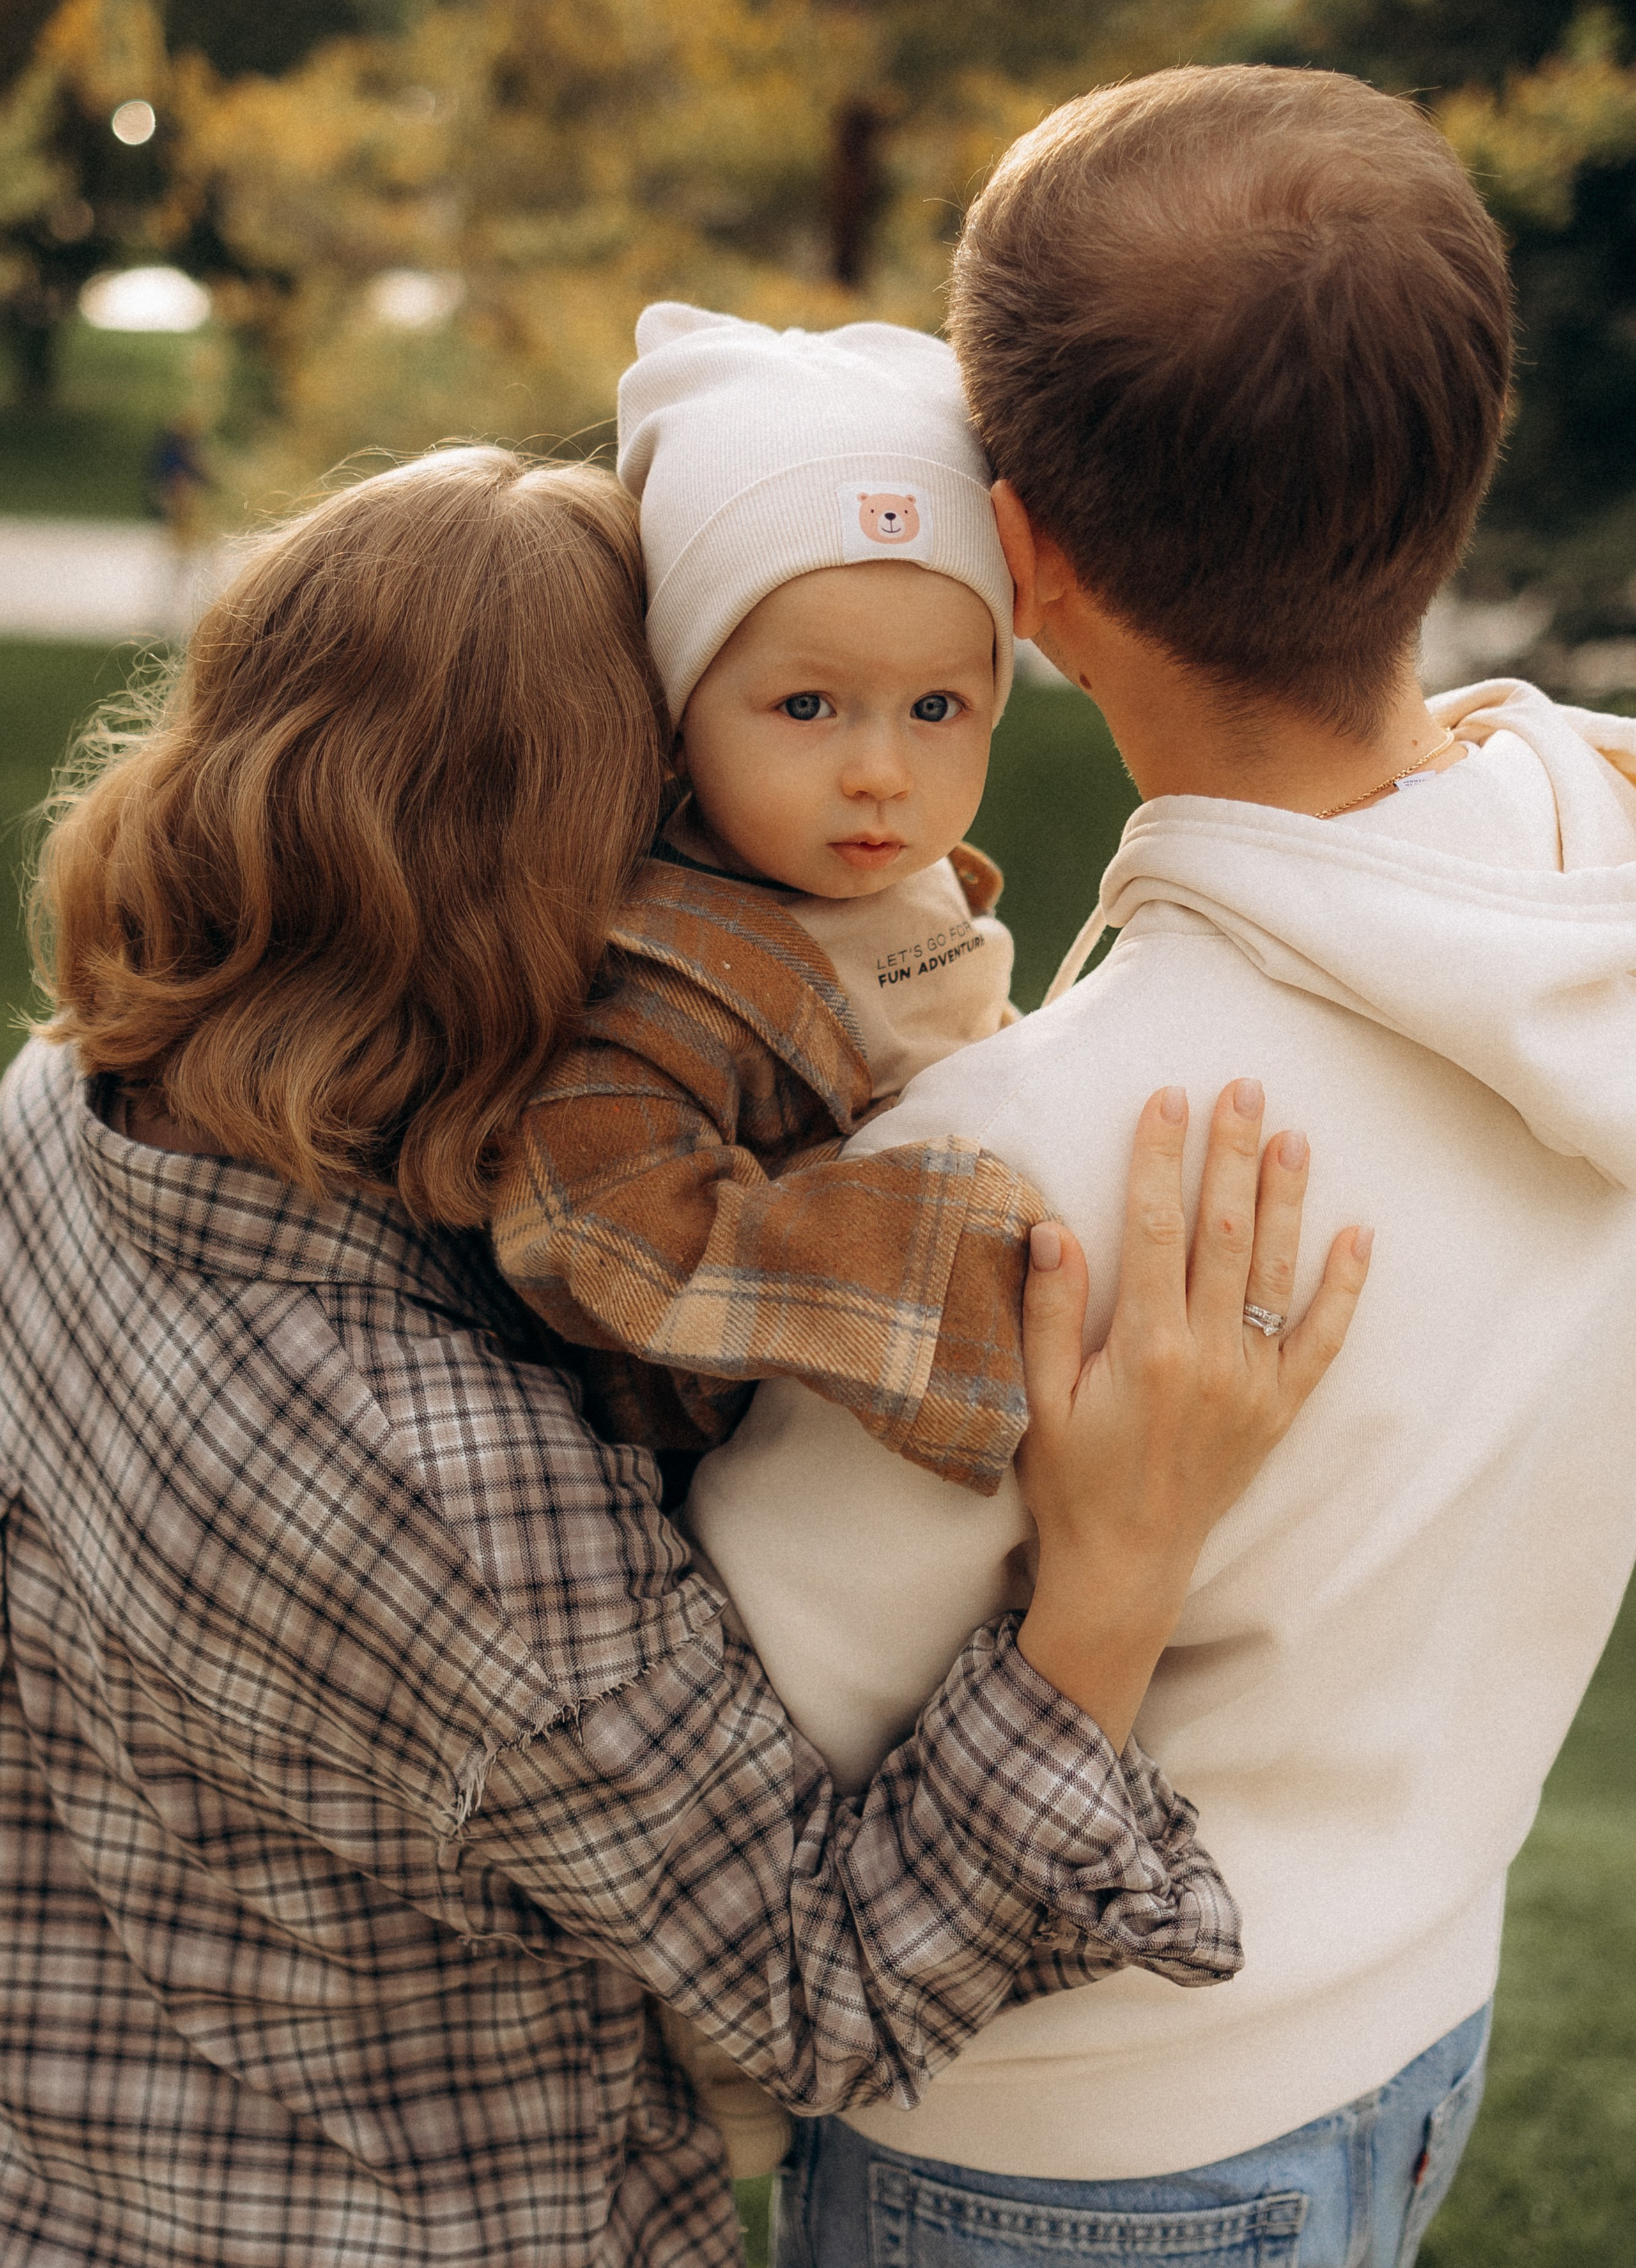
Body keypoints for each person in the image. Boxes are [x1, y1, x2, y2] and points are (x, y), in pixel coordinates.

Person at [0, 443, 1368, 2268]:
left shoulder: (80, 1100)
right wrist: (1114, 1573)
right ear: (574, 867)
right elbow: (828, 1982)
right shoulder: (445, 1484)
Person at [683, 64, 1636, 2267]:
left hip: (1066, 2157)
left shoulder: (1032, 1170)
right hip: (1402, 2030)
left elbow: (749, 1773)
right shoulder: (1589, 867)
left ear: (1014, 558)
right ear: (1461, 472)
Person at [493, 303, 1040, 1503]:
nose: (881, 771)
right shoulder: (650, 980)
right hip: (753, 1492)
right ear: (681, 711)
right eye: (808, 707)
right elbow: (590, 1228)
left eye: (937, 708)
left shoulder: (909, 881)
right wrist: (920, 1260)